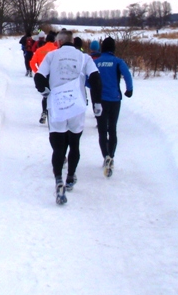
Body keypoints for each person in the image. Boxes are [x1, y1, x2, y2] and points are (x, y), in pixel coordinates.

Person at [35, 29, 103, 205]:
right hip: (76, 105)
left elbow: (39, 77)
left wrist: (44, 91)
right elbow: (96, 79)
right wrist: (97, 103)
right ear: (73, 41)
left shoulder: (52, 56)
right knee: (74, 143)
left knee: (58, 147)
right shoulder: (84, 58)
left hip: (57, 104)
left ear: (58, 42)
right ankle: (71, 176)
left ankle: (58, 179)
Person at [92, 36, 133, 178]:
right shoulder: (117, 62)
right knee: (112, 129)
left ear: (102, 48)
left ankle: (105, 157)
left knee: (102, 131)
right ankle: (112, 155)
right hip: (115, 100)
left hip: (100, 101)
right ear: (113, 48)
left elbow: (86, 79)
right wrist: (129, 90)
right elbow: (127, 75)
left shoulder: (95, 62)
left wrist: (94, 88)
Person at [30, 32, 60, 124]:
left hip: (43, 75)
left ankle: (44, 112)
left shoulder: (39, 50)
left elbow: (32, 62)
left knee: (45, 95)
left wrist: (38, 72)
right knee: (56, 95)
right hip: (55, 76)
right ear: (54, 40)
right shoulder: (57, 50)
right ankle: (56, 114)